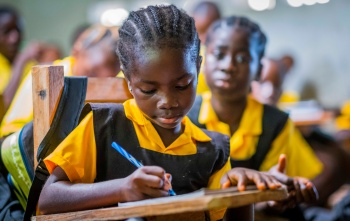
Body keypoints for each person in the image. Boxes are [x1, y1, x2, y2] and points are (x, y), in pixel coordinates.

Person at [37, 5, 281, 221]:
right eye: (148, 89)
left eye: (182, 86)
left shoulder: (212, 148)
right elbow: (47, 200)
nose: (168, 102)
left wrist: (245, 193)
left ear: (197, 67)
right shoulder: (103, 126)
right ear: (129, 81)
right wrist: (122, 188)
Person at [187, 15, 321, 220]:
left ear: (259, 71)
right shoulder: (185, 117)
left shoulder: (276, 123)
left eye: (242, 58)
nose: (228, 66)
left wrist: (277, 193)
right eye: (219, 54)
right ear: (201, 63)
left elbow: (275, 191)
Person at [0, 24, 121, 138]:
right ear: (76, 51)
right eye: (92, 72)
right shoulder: (45, 77)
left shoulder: (122, 85)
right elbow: (10, 134)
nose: (97, 84)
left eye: (107, 81)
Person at [0, 5, 43, 120]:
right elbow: (4, 106)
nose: (14, 38)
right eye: (6, 32)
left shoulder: (29, 63)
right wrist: (21, 61)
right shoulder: (23, 60)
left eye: (17, 30)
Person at [191, 1, 221, 94]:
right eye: (199, 32)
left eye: (208, 31)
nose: (203, 39)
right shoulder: (191, 54)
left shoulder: (225, 56)